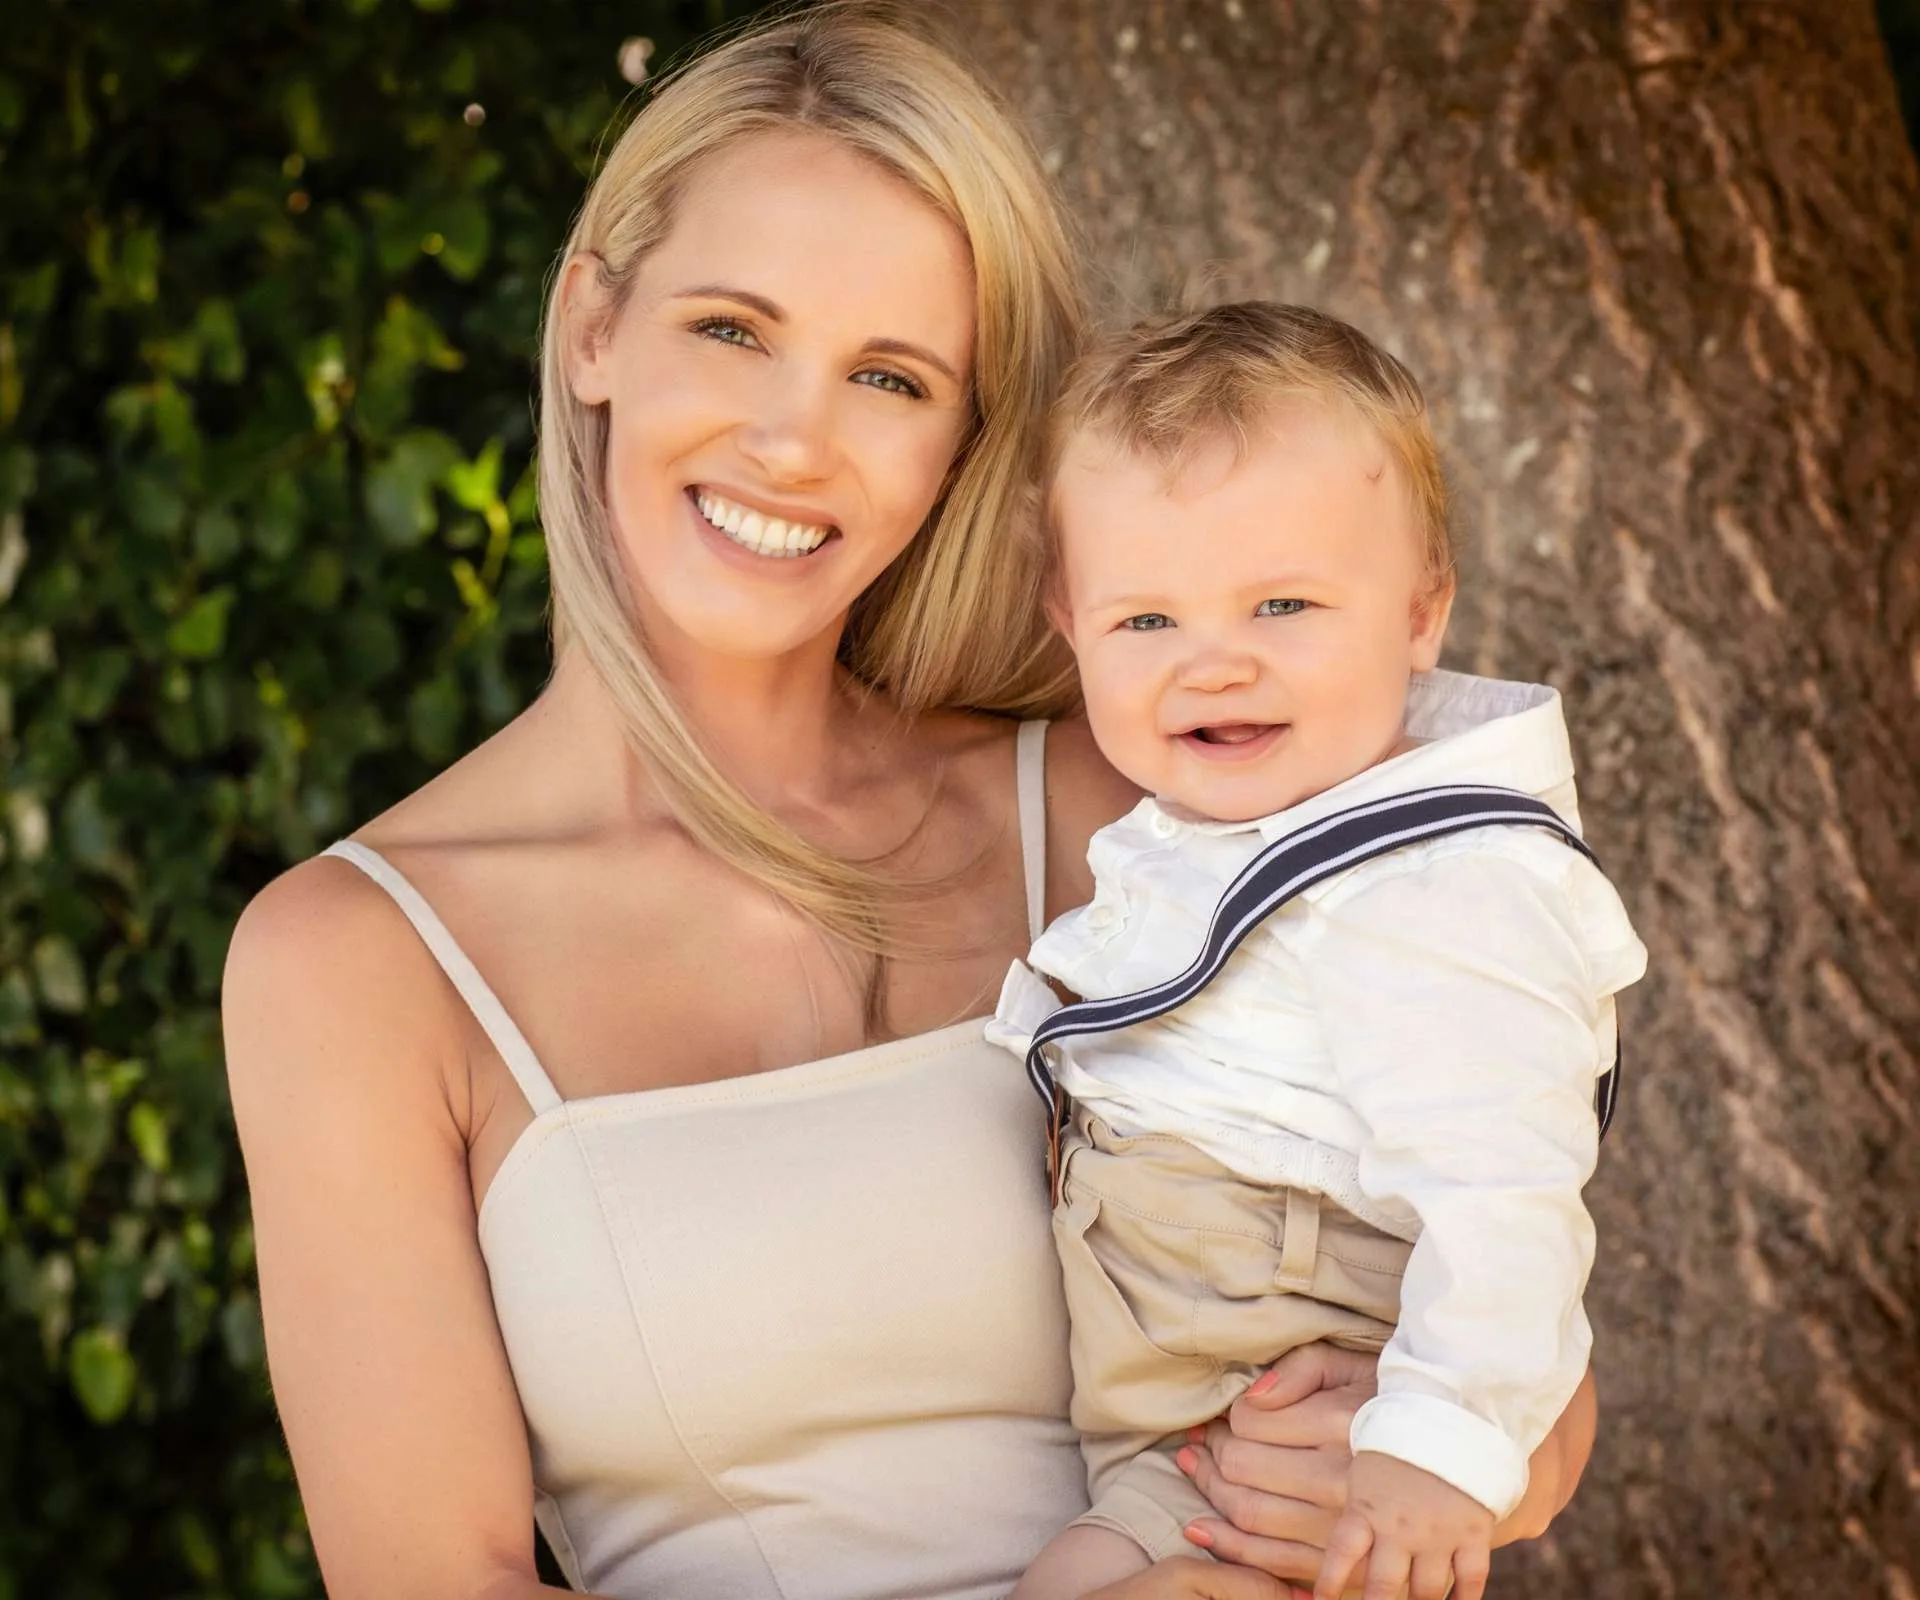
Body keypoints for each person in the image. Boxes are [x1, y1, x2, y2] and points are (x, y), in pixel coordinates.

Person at [221, 11, 1599, 1600]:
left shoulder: (1135, 811)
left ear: (960, 447)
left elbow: (1519, 1302)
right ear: (595, 327)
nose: (795, 440)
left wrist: (1421, 1453)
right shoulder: (357, 961)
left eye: (890, 376)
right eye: (733, 329)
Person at [990, 302, 1647, 1600]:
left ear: (1420, 614)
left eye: (1283, 604)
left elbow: (1504, 1198)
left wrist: (1438, 1452)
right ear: (1069, 623)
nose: (1214, 666)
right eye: (1145, 623)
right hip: (1180, 1413)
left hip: (1295, 1406)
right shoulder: (1224, 822)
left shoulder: (1434, 886)